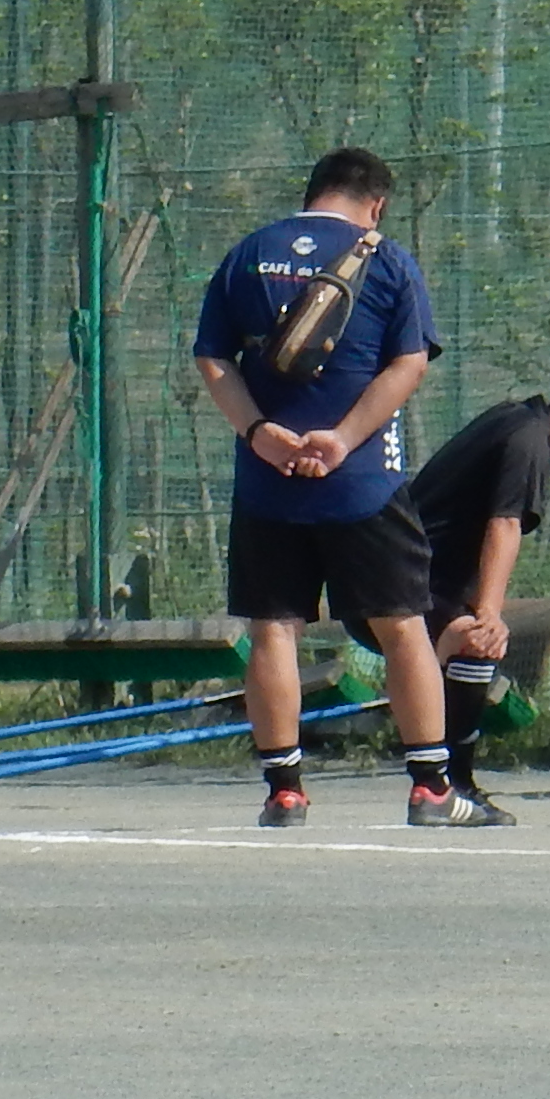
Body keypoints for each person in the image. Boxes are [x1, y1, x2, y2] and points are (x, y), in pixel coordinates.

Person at [193, 147, 455, 830]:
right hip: (363, 482)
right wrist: (342, 439)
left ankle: (285, 791)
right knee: (401, 625)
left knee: (274, 628)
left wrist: (259, 433)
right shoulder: (388, 259)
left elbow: (213, 357)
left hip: (267, 482)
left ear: (311, 193)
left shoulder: (249, 253)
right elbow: (409, 363)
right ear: (377, 205)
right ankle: (430, 788)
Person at [378, 379, 550, 823]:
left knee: (471, 640)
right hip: (402, 580)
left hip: (407, 574)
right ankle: (447, 787)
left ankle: (445, 780)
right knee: (478, 638)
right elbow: (504, 524)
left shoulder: (516, 418)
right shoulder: (531, 444)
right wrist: (489, 613)